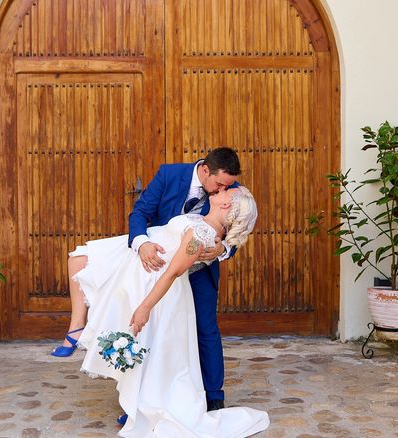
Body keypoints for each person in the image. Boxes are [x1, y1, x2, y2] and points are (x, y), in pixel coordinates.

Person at [64, 186, 267, 437]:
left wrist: (145, 307)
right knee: (150, 348)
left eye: (227, 192)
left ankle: (145, 406)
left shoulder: (203, 235)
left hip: (161, 294)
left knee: (154, 350)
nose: (222, 189)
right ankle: (137, 403)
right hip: (145, 279)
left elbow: (174, 271)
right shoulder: (200, 221)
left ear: (226, 206)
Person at [53, 147, 242, 411]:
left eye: (227, 186)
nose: (221, 190)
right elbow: (140, 212)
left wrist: (222, 250)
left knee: (205, 328)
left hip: (199, 269)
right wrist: (141, 244)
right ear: (205, 170)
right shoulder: (169, 174)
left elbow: (238, 230)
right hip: (156, 264)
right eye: (219, 184)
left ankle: (212, 395)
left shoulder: (230, 190)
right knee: (151, 329)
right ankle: (140, 398)